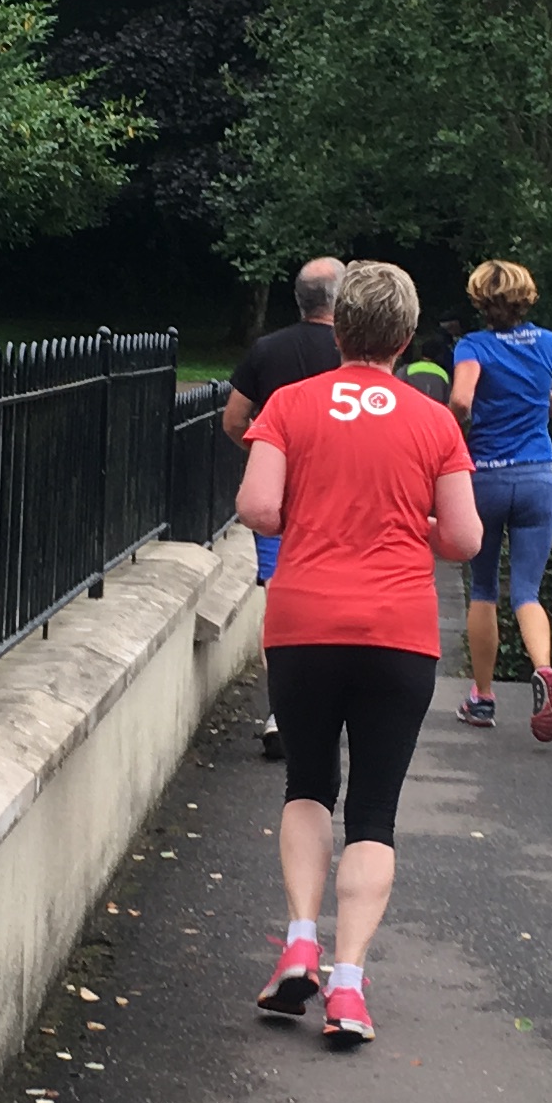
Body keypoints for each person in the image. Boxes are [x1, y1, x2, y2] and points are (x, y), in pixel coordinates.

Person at [233, 258, 479, 1049]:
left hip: (304, 621)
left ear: (338, 327)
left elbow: (257, 506)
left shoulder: (290, 404)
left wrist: (311, 514)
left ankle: (299, 941)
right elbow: (464, 538)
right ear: (406, 338)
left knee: (308, 784)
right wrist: (411, 526)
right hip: (396, 631)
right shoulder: (433, 422)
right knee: (374, 808)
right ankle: (347, 985)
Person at [449, 259, 552, 745]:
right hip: (536, 477)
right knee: (527, 591)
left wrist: (454, 427)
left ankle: (482, 699)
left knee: (484, 588)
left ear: (480, 300)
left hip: (486, 477)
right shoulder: (549, 344)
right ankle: (543, 668)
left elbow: (462, 400)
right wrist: (537, 399)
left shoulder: (472, 346)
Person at [223, 259, 345, 758]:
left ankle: (282, 710)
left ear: (299, 299)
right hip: (338, 496)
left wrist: (265, 456)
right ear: (341, 299)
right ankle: (329, 704)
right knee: (334, 594)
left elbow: (234, 419)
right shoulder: (353, 355)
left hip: (278, 496)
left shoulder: (267, 350)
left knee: (279, 597)